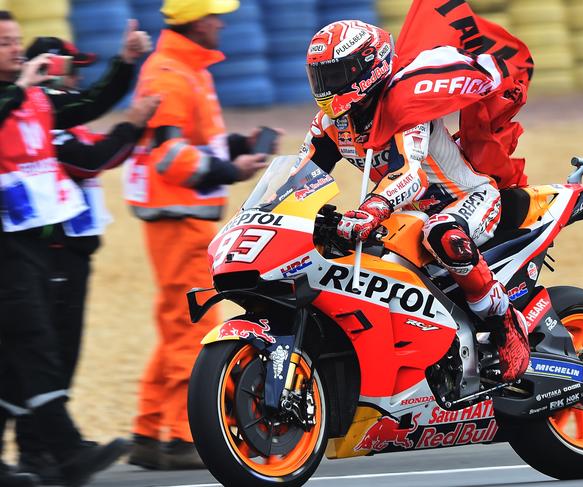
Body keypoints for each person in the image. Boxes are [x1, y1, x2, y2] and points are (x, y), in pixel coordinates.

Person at [300, 20, 530, 382]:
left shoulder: (407, 103)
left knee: (442, 232)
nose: (326, 87)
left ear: (366, 66)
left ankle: (505, 324)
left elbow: (410, 174)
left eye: (336, 74)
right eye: (320, 77)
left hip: (466, 200)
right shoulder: (333, 123)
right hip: (408, 216)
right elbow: (301, 175)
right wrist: (269, 213)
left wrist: (371, 209)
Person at [0, 11, 151, 487]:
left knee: (18, 357)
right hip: (7, 247)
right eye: (5, 43)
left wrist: (124, 65)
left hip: (37, 244)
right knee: (37, 346)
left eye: (14, 41)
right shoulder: (18, 94)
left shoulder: (36, 97)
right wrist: (23, 87)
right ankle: (61, 452)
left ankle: (45, 453)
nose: (15, 50)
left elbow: (86, 103)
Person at [124, 0, 274, 470]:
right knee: (192, 329)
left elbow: (191, 143)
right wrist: (231, 169)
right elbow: (169, 155)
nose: (222, 22)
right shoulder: (170, 72)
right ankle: (186, 437)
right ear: (194, 19)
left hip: (187, 218)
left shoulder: (189, 70)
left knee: (177, 325)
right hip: (179, 220)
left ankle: (149, 433)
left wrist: (237, 147)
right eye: (215, 15)